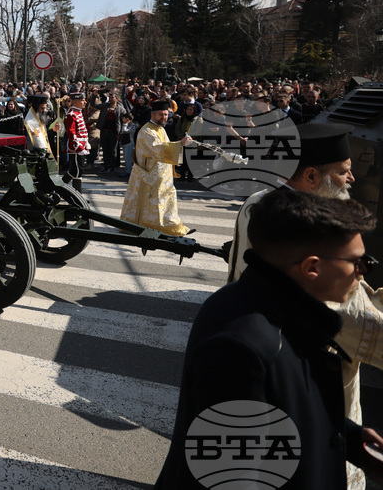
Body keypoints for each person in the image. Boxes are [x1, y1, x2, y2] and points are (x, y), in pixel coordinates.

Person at [154, 190, 383, 488]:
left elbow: (284, 410)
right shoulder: (241, 347)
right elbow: (228, 477)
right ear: (312, 267)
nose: (362, 272)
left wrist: (351, 439)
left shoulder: (273, 309)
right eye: (358, 262)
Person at [227, 123, 379, 489]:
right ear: (312, 176)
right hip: (313, 386)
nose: (352, 178)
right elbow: (356, 320)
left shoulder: (260, 204)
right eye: (343, 171)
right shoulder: (316, 234)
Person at [120, 99, 192, 236]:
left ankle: (168, 224)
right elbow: (157, 149)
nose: (164, 117)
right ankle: (146, 226)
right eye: (161, 114)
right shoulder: (146, 131)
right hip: (148, 175)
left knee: (165, 199)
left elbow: (166, 147)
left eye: (166, 114)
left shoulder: (160, 129)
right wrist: (180, 144)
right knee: (152, 201)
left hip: (161, 174)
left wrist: (178, 145)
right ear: (153, 115)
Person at [63, 93, 90, 187]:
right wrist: (79, 147)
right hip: (76, 147)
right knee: (78, 171)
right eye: (83, 100)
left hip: (82, 145)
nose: (85, 102)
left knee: (76, 170)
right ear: (75, 102)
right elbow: (71, 132)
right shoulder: (71, 114)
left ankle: (60, 187)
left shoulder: (78, 112)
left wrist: (86, 142)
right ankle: (77, 196)